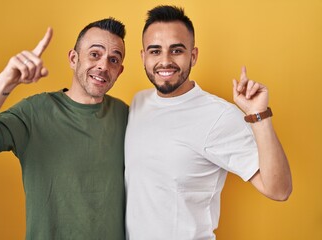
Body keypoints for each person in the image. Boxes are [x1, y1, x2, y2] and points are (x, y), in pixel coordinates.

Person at [124, 5, 292, 240]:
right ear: (143, 56)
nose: (165, 61)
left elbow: (279, 189)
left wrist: (259, 116)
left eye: (176, 50)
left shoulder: (218, 116)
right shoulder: (138, 102)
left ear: (193, 55)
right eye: (155, 51)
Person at [0, 18, 128, 239]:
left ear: (120, 71)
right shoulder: (34, 112)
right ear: (73, 58)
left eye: (113, 60)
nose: (103, 66)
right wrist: (5, 82)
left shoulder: (126, 115)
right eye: (95, 54)